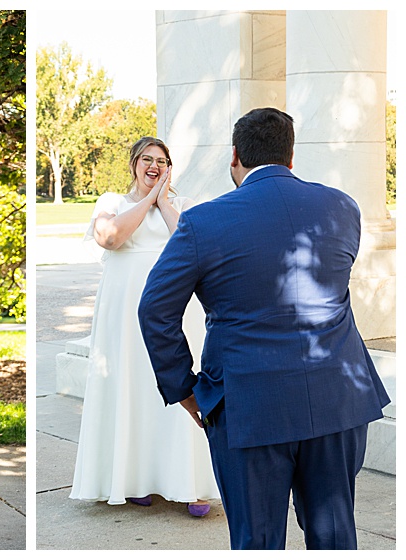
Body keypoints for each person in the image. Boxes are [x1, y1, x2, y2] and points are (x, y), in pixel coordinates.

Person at [138, 107, 391, 549]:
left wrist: (183, 388)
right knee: (334, 535)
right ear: (291, 158)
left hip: (248, 405)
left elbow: (155, 308)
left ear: (234, 156)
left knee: (257, 541)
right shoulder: (342, 208)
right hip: (337, 398)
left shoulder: (203, 222)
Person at [69, 137, 219, 516]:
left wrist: (163, 201)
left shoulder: (183, 206)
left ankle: (192, 485)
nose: (154, 166)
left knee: (176, 383)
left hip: (173, 308)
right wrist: (146, 201)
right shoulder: (111, 204)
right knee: (131, 386)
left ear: (170, 168)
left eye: (162, 161)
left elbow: (191, 242)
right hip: (122, 313)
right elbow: (111, 237)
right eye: (147, 160)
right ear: (134, 163)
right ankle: (134, 478)